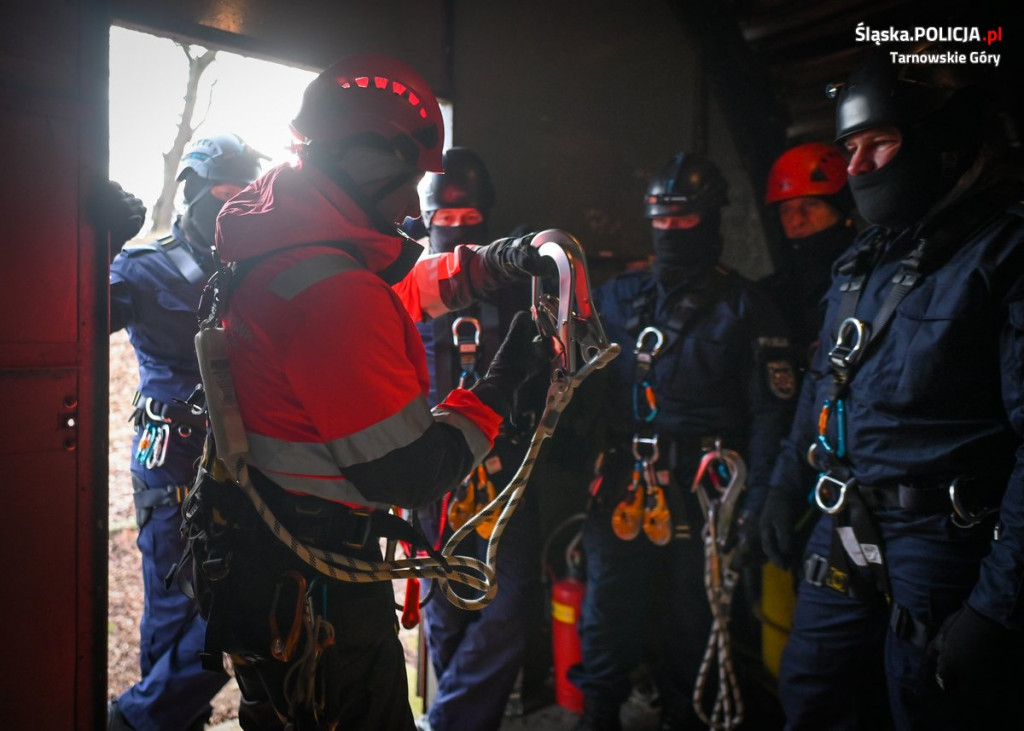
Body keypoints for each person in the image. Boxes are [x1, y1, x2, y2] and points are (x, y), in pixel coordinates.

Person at [182, 53, 551, 730]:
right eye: (408, 182)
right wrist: (500, 390)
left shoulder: (284, 245)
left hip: (263, 561)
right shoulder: (331, 292)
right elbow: (408, 470)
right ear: (365, 161)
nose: (415, 206)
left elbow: (399, 284)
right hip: (316, 590)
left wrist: (496, 261)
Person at [758, 49, 1024, 729]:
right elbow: (825, 384)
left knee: (926, 705)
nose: (857, 167)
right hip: (841, 515)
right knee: (810, 692)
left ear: (942, 140)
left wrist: (998, 603)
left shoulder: (1005, 255)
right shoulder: (864, 260)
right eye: (850, 147)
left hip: (944, 536)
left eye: (880, 142)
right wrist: (786, 485)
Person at [567, 152, 796, 730]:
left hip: (706, 491)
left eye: (684, 220)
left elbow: (772, 414)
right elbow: (573, 377)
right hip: (622, 483)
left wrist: (762, 497)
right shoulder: (618, 297)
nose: (670, 232)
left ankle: (685, 717)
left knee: (693, 622)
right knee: (606, 613)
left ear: (711, 220)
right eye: (660, 220)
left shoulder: (747, 307)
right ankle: (599, 715)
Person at [107, 133, 264, 731]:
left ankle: (140, 718)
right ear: (193, 192)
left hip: (247, 458)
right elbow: (74, 317)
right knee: (171, 608)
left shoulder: (257, 272)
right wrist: (96, 245)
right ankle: (158, 719)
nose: (231, 210)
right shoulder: (143, 268)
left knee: (236, 605)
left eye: (242, 197)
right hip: (170, 458)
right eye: (222, 196)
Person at [413, 147, 543, 731]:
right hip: (431, 465)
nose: (460, 234)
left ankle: (450, 723)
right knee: (443, 612)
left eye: (472, 223)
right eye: (447, 222)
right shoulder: (404, 289)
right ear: (426, 220)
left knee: (509, 604)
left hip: (504, 463)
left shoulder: (518, 290)